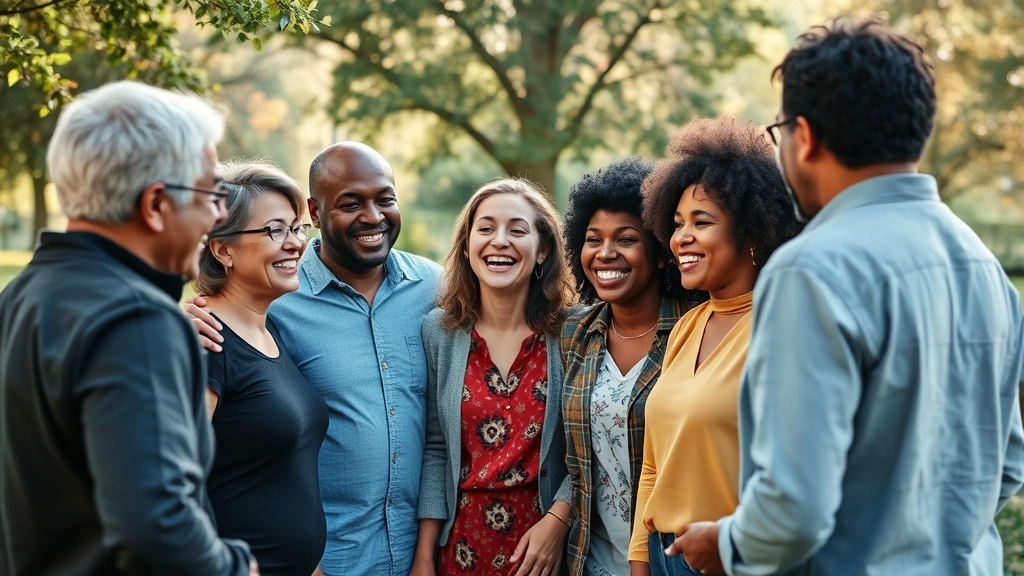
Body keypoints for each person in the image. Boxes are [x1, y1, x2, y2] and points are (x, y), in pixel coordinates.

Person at [669, 18, 1024, 576]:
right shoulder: (985, 267)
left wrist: (728, 544)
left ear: (803, 136)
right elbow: (1006, 464)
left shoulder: (811, 269)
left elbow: (794, 511)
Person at [0, 81, 255, 575]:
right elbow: (157, 528)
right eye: (209, 193)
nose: (219, 213)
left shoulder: (21, 295)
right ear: (157, 204)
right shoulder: (137, 320)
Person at [186, 142, 442, 576]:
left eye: (385, 199)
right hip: (331, 559)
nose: (374, 216)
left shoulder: (436, 289)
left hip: (413, 556)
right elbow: (165, 481)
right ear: (317, 211)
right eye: (351, 203)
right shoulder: (266, 305)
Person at [628, 117, 802, 576]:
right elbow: (653, 463)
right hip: (664, 554)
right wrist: (640, 559)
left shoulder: (781, 329)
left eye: (701, 222)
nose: (680, 237)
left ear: (751, 233)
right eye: (677, 222)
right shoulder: (687, 327)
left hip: (729, 559)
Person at [412, 179, 572, 576]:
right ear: (467, 247)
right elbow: (437, 448)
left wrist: (559, 520)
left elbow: (586, 451)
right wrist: (424, 556)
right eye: (485, 228)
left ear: (543, 250)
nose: (499, 241)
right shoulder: (440, 332)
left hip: (542, 553)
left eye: (517, 230)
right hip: (462, 549)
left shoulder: (572, 332)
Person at [559, 157, 705, 576]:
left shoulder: (695, 327)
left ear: (660, 252)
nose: (606, 253)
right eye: (593, 239)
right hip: (591, 559)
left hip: (674, 561)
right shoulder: (575, 333)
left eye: (625, 239)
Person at [193, 161, 329, 575]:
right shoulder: (204, 343)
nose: (295, 244)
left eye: (296, 228)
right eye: (274, 230)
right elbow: (169, 489)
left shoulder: (271, 332)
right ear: (223, 249)